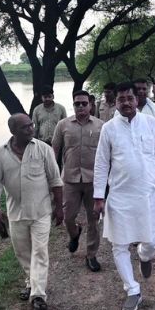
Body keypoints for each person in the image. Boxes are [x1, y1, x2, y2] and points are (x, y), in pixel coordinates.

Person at [93, 81, 155, 310]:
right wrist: (99, 196)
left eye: (129, 98)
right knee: (119, 245)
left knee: (151, 241)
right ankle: (132, 290)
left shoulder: (150, 124)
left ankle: (144, 256)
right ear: (115, 102)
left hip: (149, 194)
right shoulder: (109, 128)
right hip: (119, 196)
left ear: (136, 99)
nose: (126, 103)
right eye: (121, 99)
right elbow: (101, 164)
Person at [0, 113, 63, 310]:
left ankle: (38, 295)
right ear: (13, 131)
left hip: (41, 211)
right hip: (16, 214)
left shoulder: (43, 149)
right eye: (25, 127)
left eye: (31, 125)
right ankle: (31, 282)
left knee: (39, 252)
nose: (31, 129)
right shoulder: (0, 154)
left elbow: (55, 179)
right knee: (23, 253)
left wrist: (60, 207)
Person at [50, 90, 105, 272]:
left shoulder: (100, 126)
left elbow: (107, 154)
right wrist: (53, 177)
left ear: (90, 104)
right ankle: (74, 234)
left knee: (93, 219)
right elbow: (54, 152)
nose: (80, 106)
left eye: (84, 103)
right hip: (70, 179)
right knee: (68, 217)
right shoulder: (63, 125)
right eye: (77, 104)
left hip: (93, 181)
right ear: (73, 105)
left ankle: (91, 255)